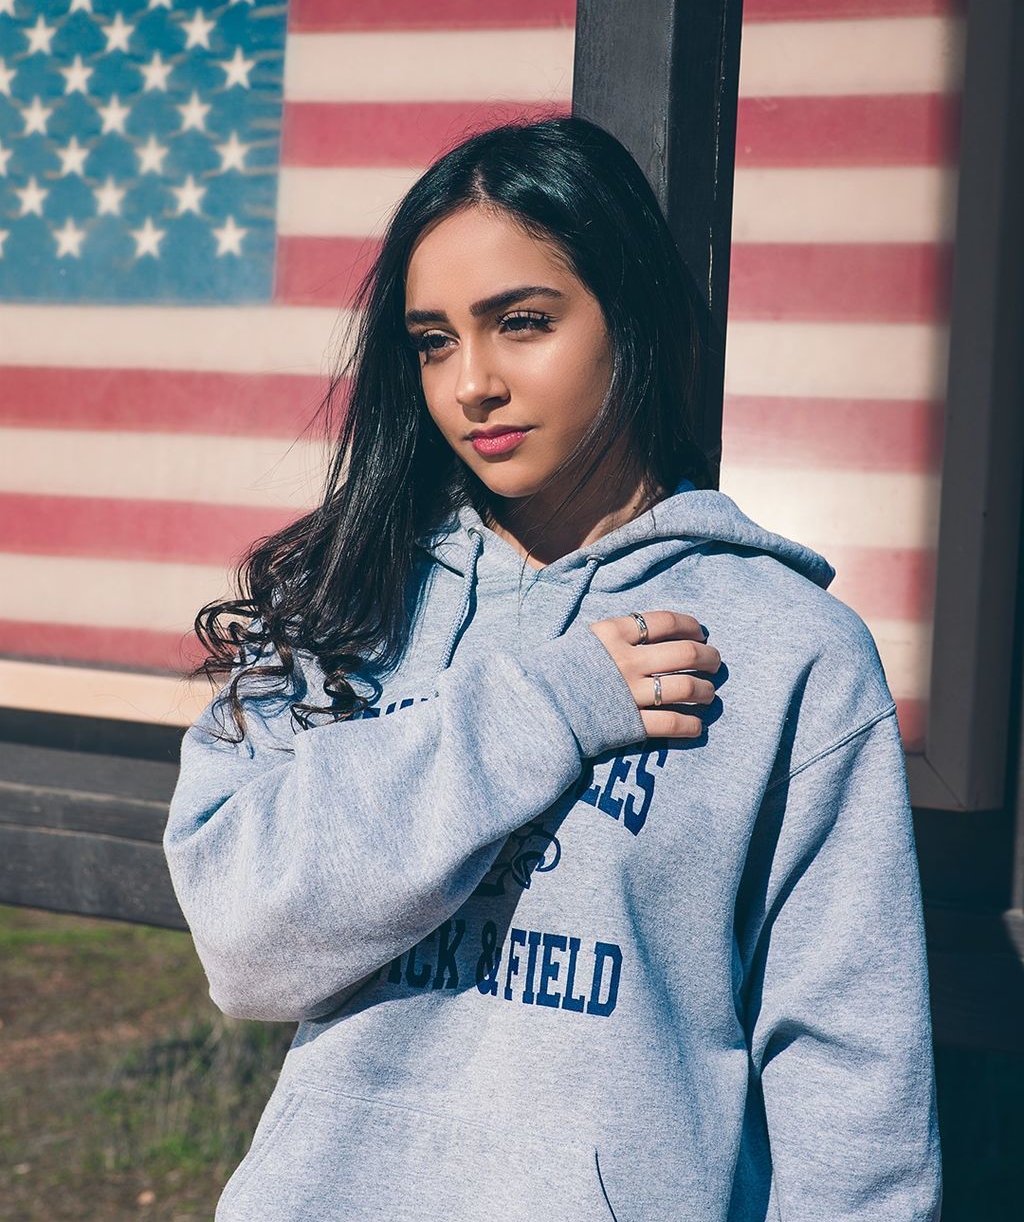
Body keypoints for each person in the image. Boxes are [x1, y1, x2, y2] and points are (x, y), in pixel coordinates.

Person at [162, 115, 941, 1221]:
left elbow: (850, 1077)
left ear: (631, 318)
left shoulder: (786, 647)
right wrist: (541, 704)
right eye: (434, 340)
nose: (471, 382)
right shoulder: (346, 597)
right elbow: (244, 946)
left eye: (520, 323)